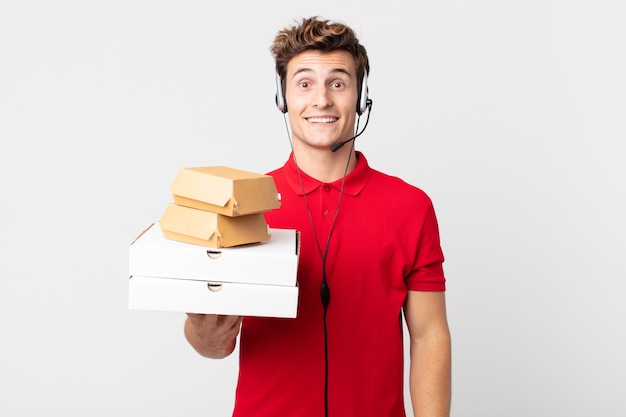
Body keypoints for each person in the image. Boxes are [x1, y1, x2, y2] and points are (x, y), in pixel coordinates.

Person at [184, 16, 451, 417]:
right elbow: (213, 340)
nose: (321, 100)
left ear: (360, 98)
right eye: (304, 83)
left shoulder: (410, 206)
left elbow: (429, 336)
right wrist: (205, 335)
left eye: (338, 83)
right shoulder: (242, 205)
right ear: (283, 98)